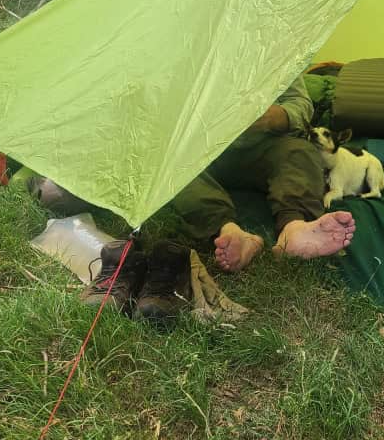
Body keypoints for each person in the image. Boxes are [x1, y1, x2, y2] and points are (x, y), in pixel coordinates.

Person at [81, 77, 355, 322]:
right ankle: (230, 231)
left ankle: (294, 229)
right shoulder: (190, 38)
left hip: (262, 145)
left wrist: (277, 117)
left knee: (300, 152)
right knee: (171, 164)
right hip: (201, 149)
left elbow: (300, 102)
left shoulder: (277, 35)